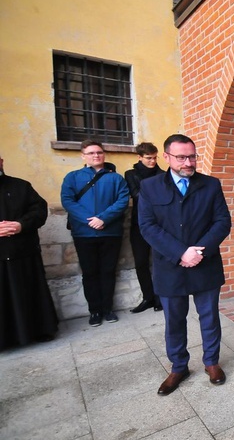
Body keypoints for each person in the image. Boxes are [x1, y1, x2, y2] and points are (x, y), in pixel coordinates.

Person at [138, 134, 231, 395]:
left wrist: (199, 251)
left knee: (210, 318)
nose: (188, 162)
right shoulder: (150, 187)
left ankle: (212, 362)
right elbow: (147, 226)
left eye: (192, 156)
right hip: (169, 266)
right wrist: (181, 253)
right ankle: (179, 366)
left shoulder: (211, 185)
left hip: (206, 263)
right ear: (167, 157)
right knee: (174, 320)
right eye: (181, 157)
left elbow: (222, 221)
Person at [61, 140, 130, 327]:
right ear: (83, 156)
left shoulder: (116, 179)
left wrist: (104, 219)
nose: (96, 156)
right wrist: (89, 220)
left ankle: (108, 309)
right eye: (91, 153)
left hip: (111, 233)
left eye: (99, 152)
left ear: (104, 154)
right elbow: (68, 201)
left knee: (108, 272)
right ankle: (95, 311)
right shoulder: (72, 177)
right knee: (90, 273)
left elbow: (122, 200)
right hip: (84, 234)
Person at [0, 155, 58, 349]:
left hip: (22, 252)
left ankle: (39, 330)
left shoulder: (21, 186)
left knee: (29, 292)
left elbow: (39, 211)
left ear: (1, 162)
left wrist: (20, 225)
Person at [124, 142, 164, 313]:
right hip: (139, 224)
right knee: (141, 262)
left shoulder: (163, 174)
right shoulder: (130, 174)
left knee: (160, 262)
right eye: (148, 158)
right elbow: (137, 195)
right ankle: (148, 297)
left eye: (155, 158)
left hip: (160, 224)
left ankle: (160, 298)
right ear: (139, 157)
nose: (152, 161)